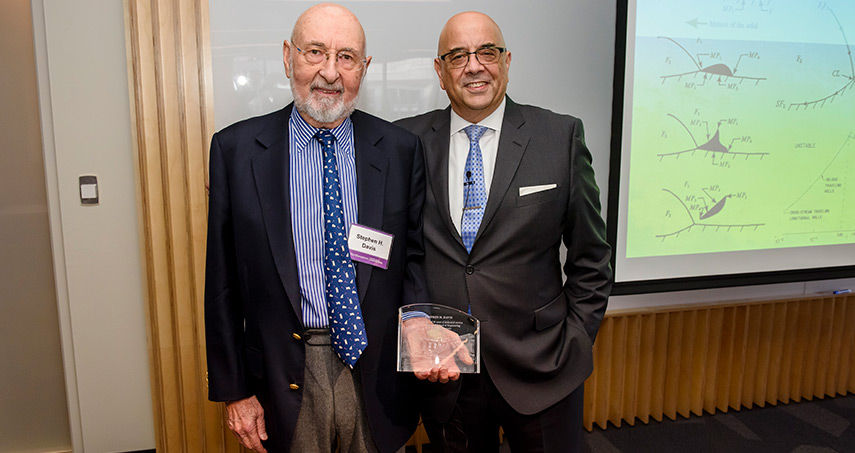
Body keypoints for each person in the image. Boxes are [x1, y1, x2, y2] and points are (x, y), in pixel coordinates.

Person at [204, 4, 427, 452]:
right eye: (315, 52)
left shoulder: (401, 151)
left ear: (364, 68)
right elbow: (222, 281)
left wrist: (420, 333)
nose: (330, 72)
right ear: (288, 57)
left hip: (376, 372)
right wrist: (235, 389)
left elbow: (416, 260)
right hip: (284, 369)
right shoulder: (236, 151)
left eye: (346, 57)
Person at [395, 11, 613, 452]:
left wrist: (573, 341)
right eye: (457, 56)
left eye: (487, 52)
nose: (474, 66)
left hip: (543, 368)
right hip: (449, 375)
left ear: (507, 61)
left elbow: (592, 258)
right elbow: (397, 256)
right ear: (440, 72)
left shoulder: (559, 136)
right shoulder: (406, 142)